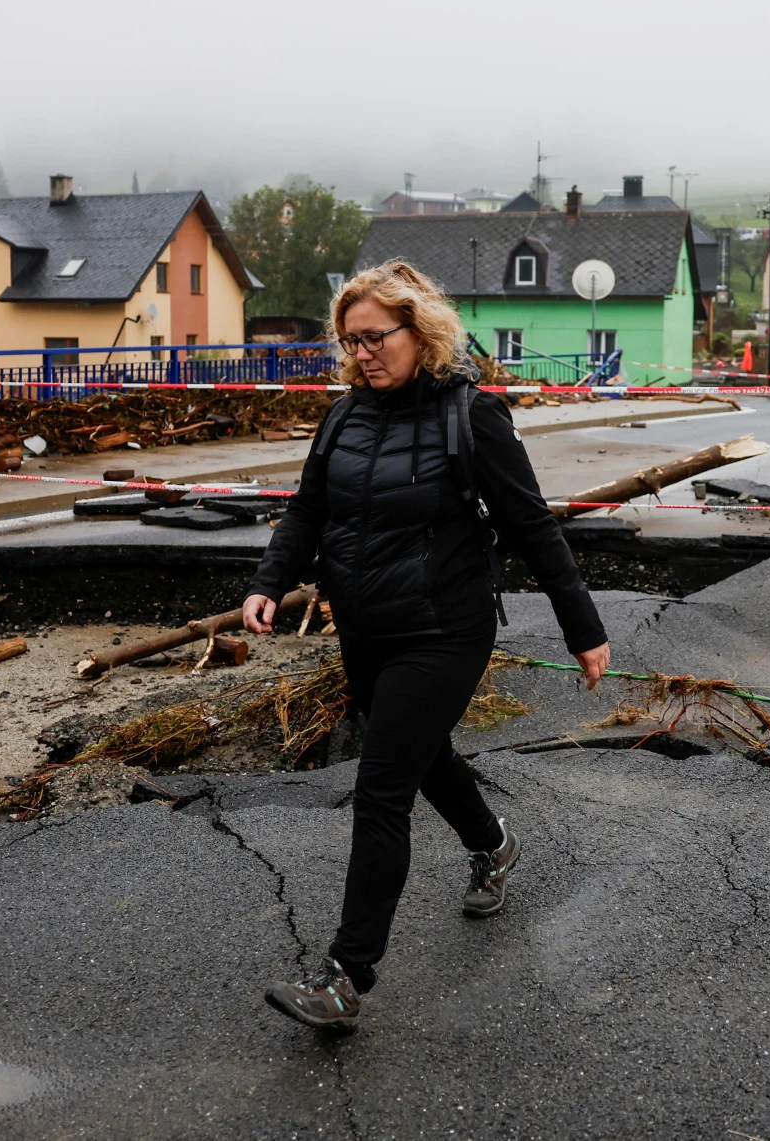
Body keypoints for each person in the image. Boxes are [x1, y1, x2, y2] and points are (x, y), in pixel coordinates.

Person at [247, 260, 611, 1032]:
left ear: (421, 332)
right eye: (351, 342)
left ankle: (346, 977)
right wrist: (269, 580)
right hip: (368, 625)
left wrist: (584, 628)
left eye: (375, 337)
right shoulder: (344, 416)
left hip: (445, 629)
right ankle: (495, 842)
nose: (362, 353)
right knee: (418, 752)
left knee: (382, 787)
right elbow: (309, 508)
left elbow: (532, 525)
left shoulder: (471, 414)